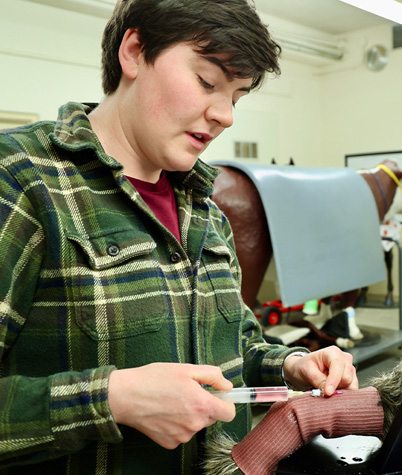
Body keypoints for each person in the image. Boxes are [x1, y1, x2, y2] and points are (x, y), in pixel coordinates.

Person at [0, 0, 357, 473]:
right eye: (207, 82)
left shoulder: (205, 211)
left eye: (237, 95)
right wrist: (112, 400)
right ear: (133, 52)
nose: (225, 115)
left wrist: (289, 366)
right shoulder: (22, 182)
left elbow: (235, 348)